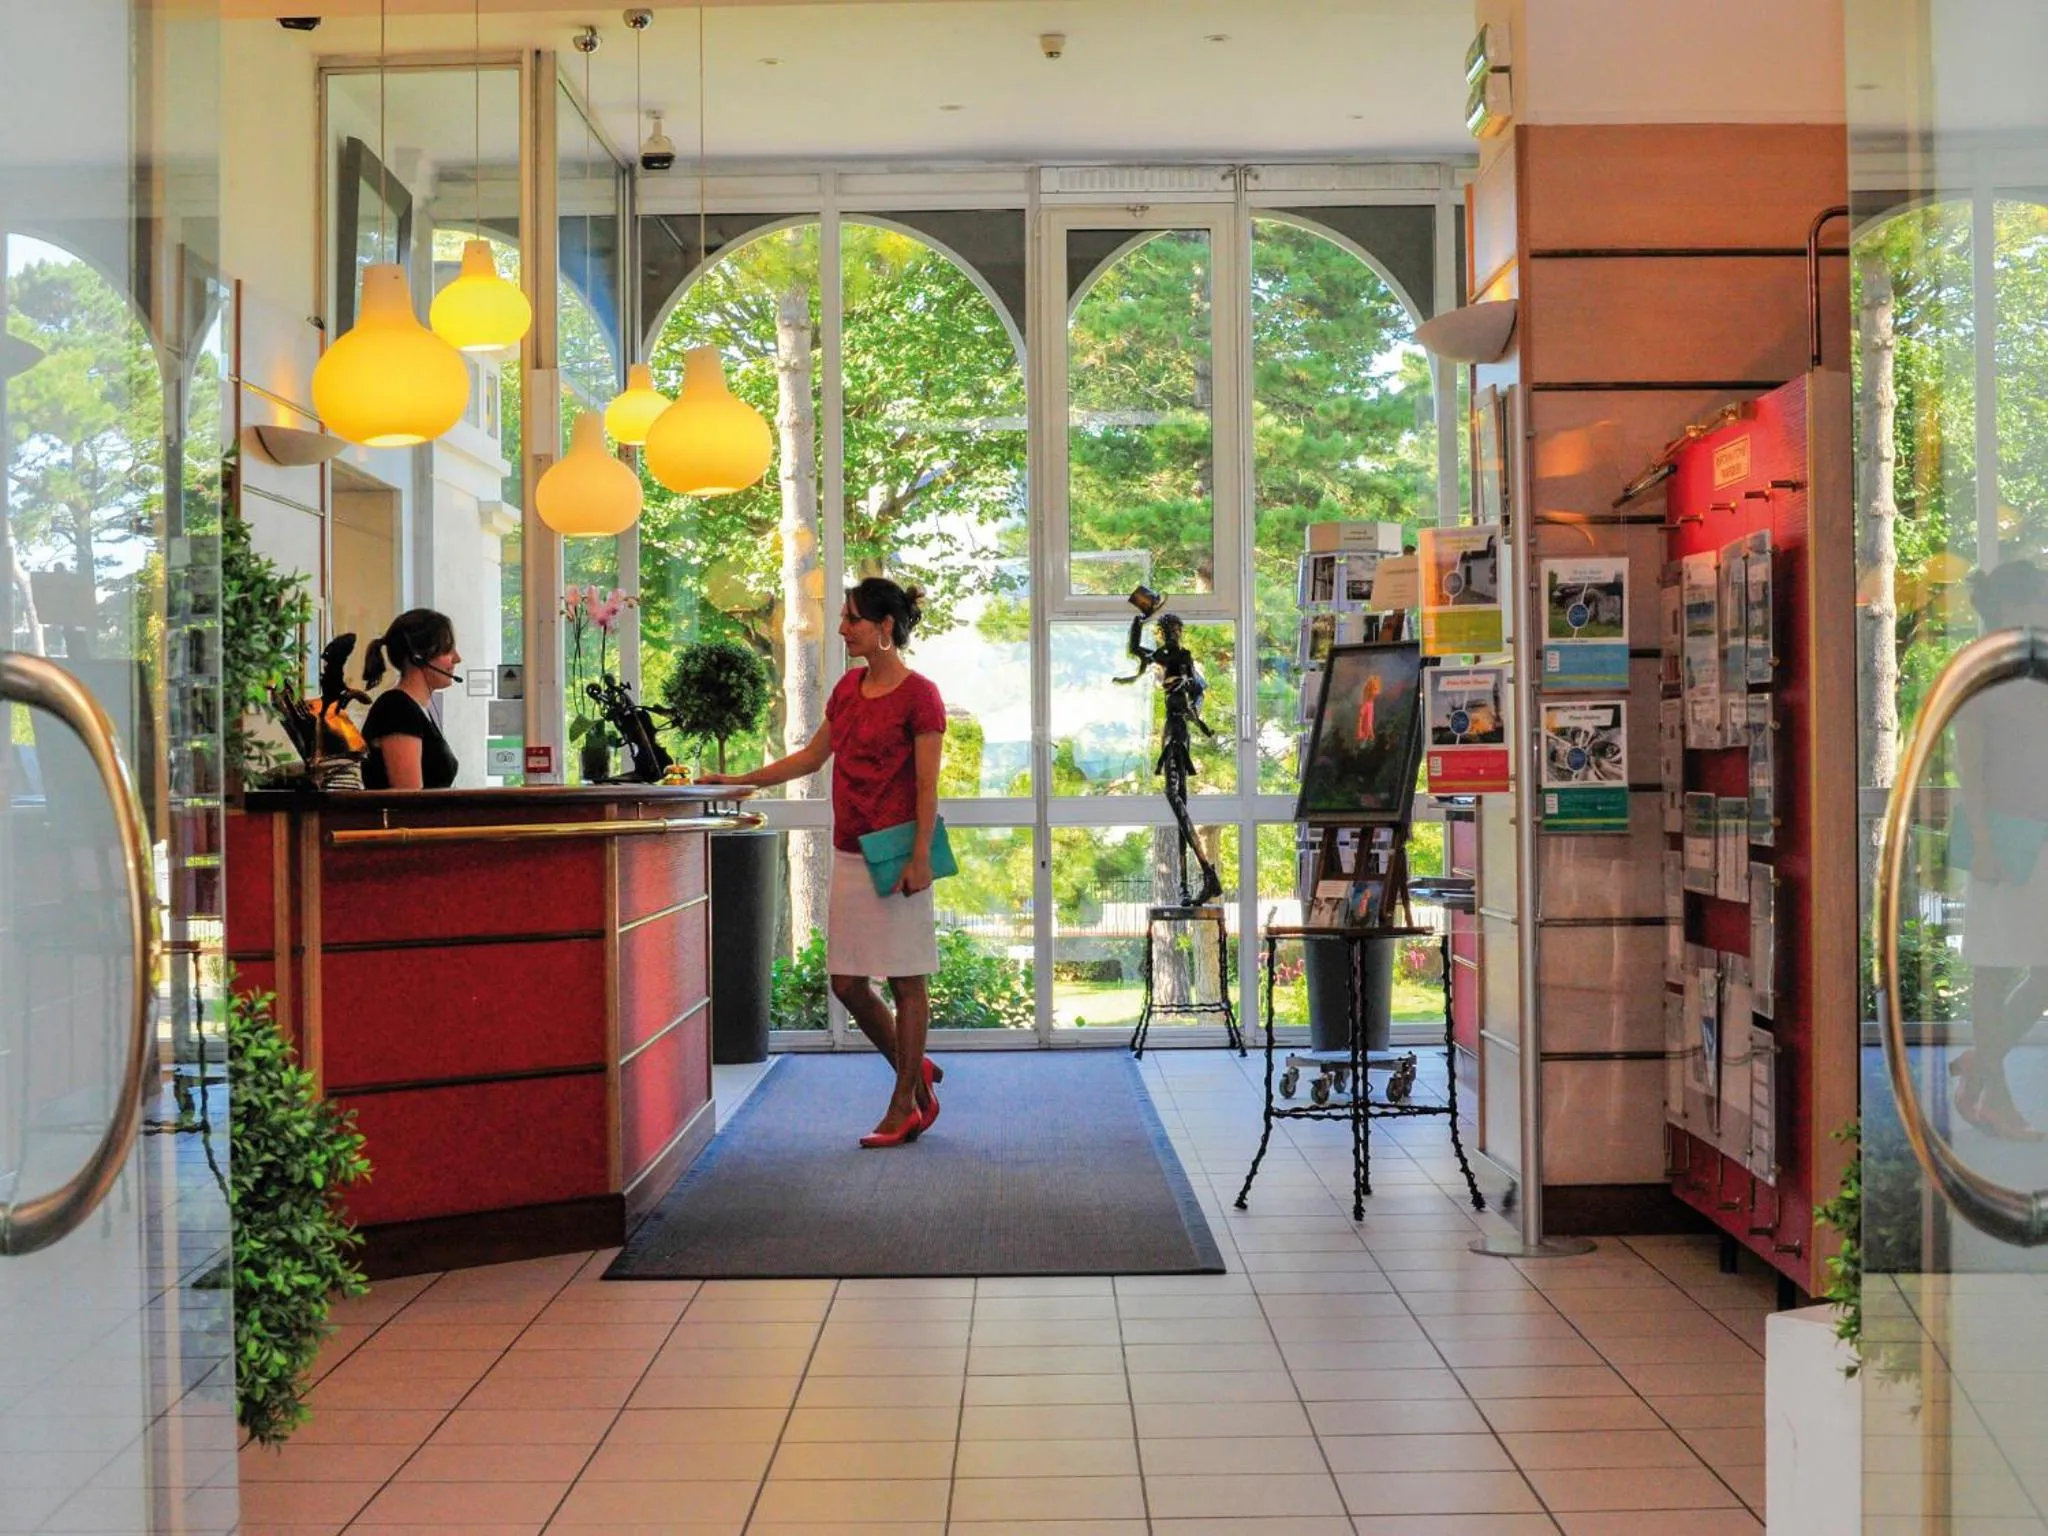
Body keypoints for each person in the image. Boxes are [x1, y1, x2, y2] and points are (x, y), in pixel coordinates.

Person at [699, 577, 946, 1147]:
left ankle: (904, 1101)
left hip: (900, 852)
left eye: (852, 618)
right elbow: (811, 757)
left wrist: (919, 858)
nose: (841, 628)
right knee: (847, 982)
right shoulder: (846, 690)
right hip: (851, 852)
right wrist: (739, 780)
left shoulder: (921, 696)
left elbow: (928, 786)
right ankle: (917, 1070)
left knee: (908, 980)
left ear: (885, 627)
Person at [1953, 558, 2048, 1140]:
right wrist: (1985, 845)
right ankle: (1994, 1098)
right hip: (2003, 838)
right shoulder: (1980, 671)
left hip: (2041, 835)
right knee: (1992, 968)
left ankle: (1979, 1068)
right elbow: (1971, 767)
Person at [360, 609, 461, 791]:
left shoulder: (415, 708)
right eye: (447, 650)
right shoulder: (397, 709)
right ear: (419, 657)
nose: (457, 659)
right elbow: (409, 798)